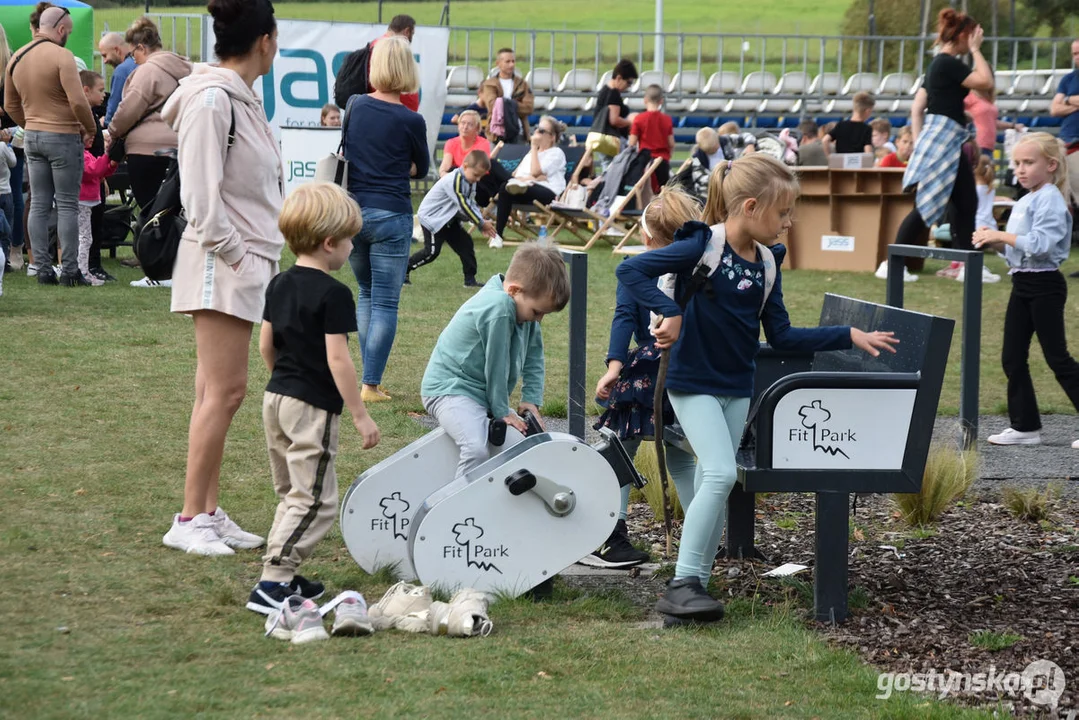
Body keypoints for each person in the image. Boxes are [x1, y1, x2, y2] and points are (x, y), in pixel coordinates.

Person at [615, 154, 899, 621]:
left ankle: (693, 592)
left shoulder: (767, 263)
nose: (789, 223)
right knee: (723, 474)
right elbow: (631, 272)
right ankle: (683, 583)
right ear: (750, 206)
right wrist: (671, 312)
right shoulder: (701, 246)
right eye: (783, 212)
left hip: (736, 387)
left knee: (714, 480)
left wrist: (847, 335)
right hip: (691, 384)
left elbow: (781, 336)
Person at [160, 0, 284, 557]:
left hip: (244, 259)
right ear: (265, 39)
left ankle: (206, 510)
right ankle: (190, 518)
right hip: (223, 261)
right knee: (226, 391)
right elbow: (201, 201)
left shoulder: (240, 99)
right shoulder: (213, 100)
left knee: (215, 390)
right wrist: (237, 256)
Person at [246, 182, 381, 617]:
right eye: (349, 239)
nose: (352, 246)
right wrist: (360, 415)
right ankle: (272, 581)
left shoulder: (280, 282)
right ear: (329, 244)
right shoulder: (334, 294)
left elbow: (267, 343)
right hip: (311, 408)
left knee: (291, 492)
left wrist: (283, 381)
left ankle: (285, 575)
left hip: (276, 399)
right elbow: (338, 360)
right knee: (317, 501)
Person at [587, 186, 702, 569]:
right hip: (689, 367)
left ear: (647, 237)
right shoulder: (699, 267)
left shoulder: (638, 268)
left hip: (651, 371)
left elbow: (624, 317)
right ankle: (705, 535)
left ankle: (610, 534)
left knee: (622, 446)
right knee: (683, 457)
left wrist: (615, 366)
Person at [421, 243, 570, 480]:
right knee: (476, 448)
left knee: (519, 446)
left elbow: (534, 358)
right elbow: (496, 365)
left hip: (480, 395)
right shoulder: (499, 308)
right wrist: (502, 412)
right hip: (450, 390)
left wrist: (530, 400)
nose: (539, 320)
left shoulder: (524, 312)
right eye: (536, 312)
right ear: (514, 291)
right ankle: (458, 508)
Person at [973, 133, 1079, 450]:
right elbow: (1020, 252)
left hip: (1045, 285)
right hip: (1023, 283)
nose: (1020, 169)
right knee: (1012, 356)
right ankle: (1025, 426)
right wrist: (995, 243)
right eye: (1017, 163)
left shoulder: (1050, 199)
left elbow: (1041, 246)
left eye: (1028, 162)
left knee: (1057, 358)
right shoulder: (1025, 199)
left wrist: (1000, 236)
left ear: (1050, 165)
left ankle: (1027, 424)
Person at [342, 34, 429, 404]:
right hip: (391, 214)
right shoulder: (412, 119)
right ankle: (370, 383)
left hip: (353, 213)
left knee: (365, 293)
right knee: (385, 304)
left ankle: (368, 379)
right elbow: (420, 168)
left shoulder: (355, 106)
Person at [893, 8, 994, 284]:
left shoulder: (937, 64)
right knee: (925, 206)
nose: (975, 40)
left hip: (946, 139)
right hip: (943, 140)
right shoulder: (948, 63)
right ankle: (893, 264)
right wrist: (976, 51)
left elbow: (917, 107)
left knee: (967, 202)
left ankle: (967, 265)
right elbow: (986, 82)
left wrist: (919, 141)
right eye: (972, 36)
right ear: (963, 35)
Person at [4, 5, 97, 286]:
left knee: (39, 203)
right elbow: (78, 101)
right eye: (68, 31)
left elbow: (9, 104)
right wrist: (89, 128)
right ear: (60, 30)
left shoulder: (17, 57)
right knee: (67, 204)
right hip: (63, 136)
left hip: (32, 137)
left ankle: (42, 268)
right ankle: (69, 270)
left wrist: (29, 123)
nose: (67, 36)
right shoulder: (62, 56)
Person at [409, 149, 492, 288]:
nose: (478, 179)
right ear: (465, 166)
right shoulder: (454, 179)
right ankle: (405, 269)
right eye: (476, 175)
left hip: (449, 219)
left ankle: (470, 280)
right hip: (433, 219)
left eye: (480, 177)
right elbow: (463, 204)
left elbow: (471, 203)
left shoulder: (470, 180)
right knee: (431, 252)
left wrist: (480, 221)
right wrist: (481, 223)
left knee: (466, 245)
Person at [494, 115, 566, 239]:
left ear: (552, 137)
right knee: (504, 186)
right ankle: (497, 236)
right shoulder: (531, 154)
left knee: (510, 185)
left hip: (548, 192)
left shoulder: (556, 153)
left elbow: (535, 172)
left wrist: (533, 147)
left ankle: (497, 235)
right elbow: (517, 175)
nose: (537, 132)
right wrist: (528, 178)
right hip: (523, 187)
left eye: (542, 131)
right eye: (537, 128)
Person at [76, 70, 116, 286]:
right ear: (85, 90)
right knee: (84, 237)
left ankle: (86, 269)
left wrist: (110, 166)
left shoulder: (88, 151)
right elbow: (92, 169)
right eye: (100, 90)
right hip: (83, 198)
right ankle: (83, 270)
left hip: (91, 193)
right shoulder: (83, 153)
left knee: (88, 235)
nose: (104, 95)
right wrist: (110, 157)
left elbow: (97, 169)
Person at [335, 14, 418, 112]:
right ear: (407, 31)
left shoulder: (377, 45)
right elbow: (386, 83)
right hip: (391, 111)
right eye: (412, 34)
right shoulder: (389, 49)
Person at [0, 23, 27, 273]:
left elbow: (20, 105)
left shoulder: (12, 66)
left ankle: (15, 248)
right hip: (9, 139)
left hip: (10, 141)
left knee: (14, 195)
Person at [1049, 38, 1079, 212]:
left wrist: (1067, 100)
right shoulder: (1068, 79)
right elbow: (1054, 108)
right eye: (1074, 53)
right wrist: (1071, 100)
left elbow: (1061, 104)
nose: (1077, 57)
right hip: (1067, 140)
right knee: (1062, 191)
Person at [478, 48, 534, 142]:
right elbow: (492, 105)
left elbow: (529, 107)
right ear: (498, 63)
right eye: (507, 61)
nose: (511, 64)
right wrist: (514, 105)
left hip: (519, 132)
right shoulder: (489, 84)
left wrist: (506, 104)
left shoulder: (522, 84)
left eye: (513, 61)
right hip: (495, 133)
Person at [587, 59, 637, 158]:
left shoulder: (605, 90)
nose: (629, 86)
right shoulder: (613, 93)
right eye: (628, 82)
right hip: (611, 140)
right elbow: (614, 120)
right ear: (619, 78)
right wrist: (631, 123)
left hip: (602, 139)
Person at [628, 84, 674, 190]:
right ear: (661, 101)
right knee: (663, 192)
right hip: (662, 160)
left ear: (645, 100)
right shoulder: (666, 119)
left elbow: (632, 143)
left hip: (645, 161)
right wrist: (668, 156)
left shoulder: (639, 119)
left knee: (645, 192)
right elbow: (671, 143)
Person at [965, 81, 1022, 160]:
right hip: (977, 142)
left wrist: (1013, 126)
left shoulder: (987, 100)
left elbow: (992, 122)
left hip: (988, 145)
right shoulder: (970, 97)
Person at [98, 32, 135, 126]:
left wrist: (105, 122)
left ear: (117, 50)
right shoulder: (139, 63)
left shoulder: (122, 70)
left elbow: (114, 108)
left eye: (105, 55)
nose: (105, 61)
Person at [687, 127, 723, 200]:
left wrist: (749, 145)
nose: (713, 151)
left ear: (717, 139)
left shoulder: (725, 141)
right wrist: (719, 176)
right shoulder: (697, 159)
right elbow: (700, 178)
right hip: (708, 194)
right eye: (709, 151)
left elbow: (746, 137)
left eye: (714, 148)